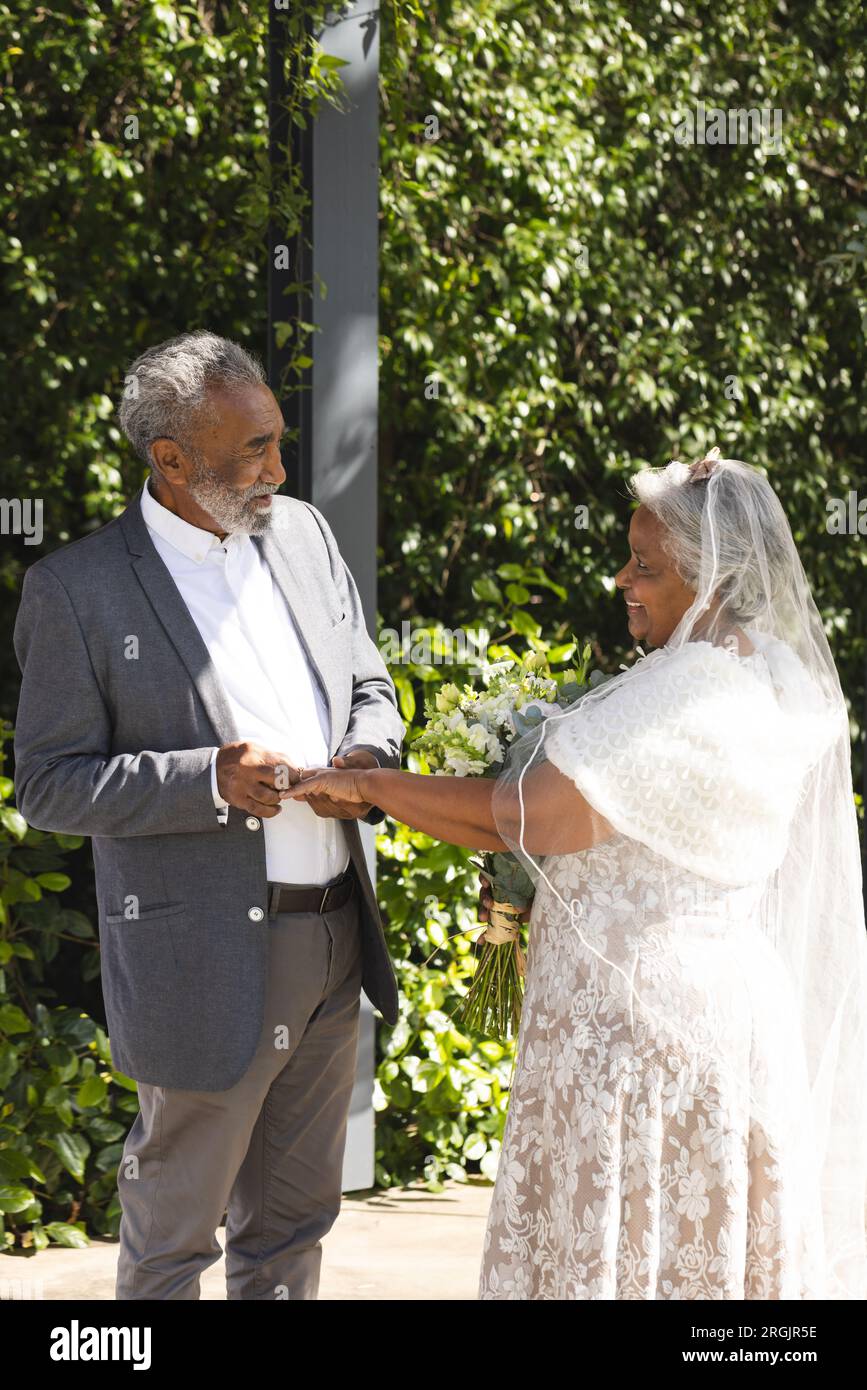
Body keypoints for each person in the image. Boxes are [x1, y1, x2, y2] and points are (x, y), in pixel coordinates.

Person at [287, 448, 867, 1300]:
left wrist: (369, 785)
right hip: (730, 1019)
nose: (621, 580)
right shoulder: (777, 674)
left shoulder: (684, 692)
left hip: (637, 1039)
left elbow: (524, 815)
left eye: (646, 566)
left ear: (712, 580)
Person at [12, 330, 405, 1300]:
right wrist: (207, 778)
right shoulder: (78, 589)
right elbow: (49, 783)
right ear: (172, 460)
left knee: (293, 1226)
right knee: (174, 1237)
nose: (278, 467)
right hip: (204, 955)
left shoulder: (305, 535)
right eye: (253, 453)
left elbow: (370, 681)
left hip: (334, 934)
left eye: (279, 442)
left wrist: (369, 753)